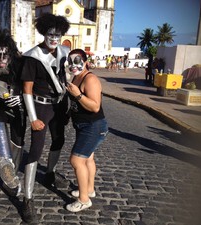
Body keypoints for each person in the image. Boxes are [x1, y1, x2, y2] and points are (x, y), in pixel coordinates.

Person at [20, 13, 70, 223]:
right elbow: (27, 89)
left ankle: (50, 173)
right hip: (39, 107)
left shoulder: (64, 52)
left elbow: (65, 75)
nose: (54, 38)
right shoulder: (32, 56)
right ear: (43, 32)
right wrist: (32, 117)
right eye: (50, 34)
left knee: (59, 140)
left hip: (58, 105)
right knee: (35, 150)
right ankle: (27, 199)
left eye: (58, 35)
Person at [65, 49, 108, 212]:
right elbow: (76, 104)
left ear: (84, 61)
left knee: (77, 161)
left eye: (77, 61)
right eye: (70, 61)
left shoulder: (91, 79)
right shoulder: (76, 77)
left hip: (94, 126)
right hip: (83, 126)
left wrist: (77, 95)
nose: (73, 64)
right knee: (88, 159)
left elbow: (95, 106)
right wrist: (69, 113)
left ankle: (84, 199)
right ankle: (89, 189)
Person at [0, 29, 26, 196]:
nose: (1, 59)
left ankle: (14, 171)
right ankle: (6, 171)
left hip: (18, 108)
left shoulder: (21, 65)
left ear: (11, 54)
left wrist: (22, 97)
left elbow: (33, 85)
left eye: (5, 55)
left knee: (18, 140)